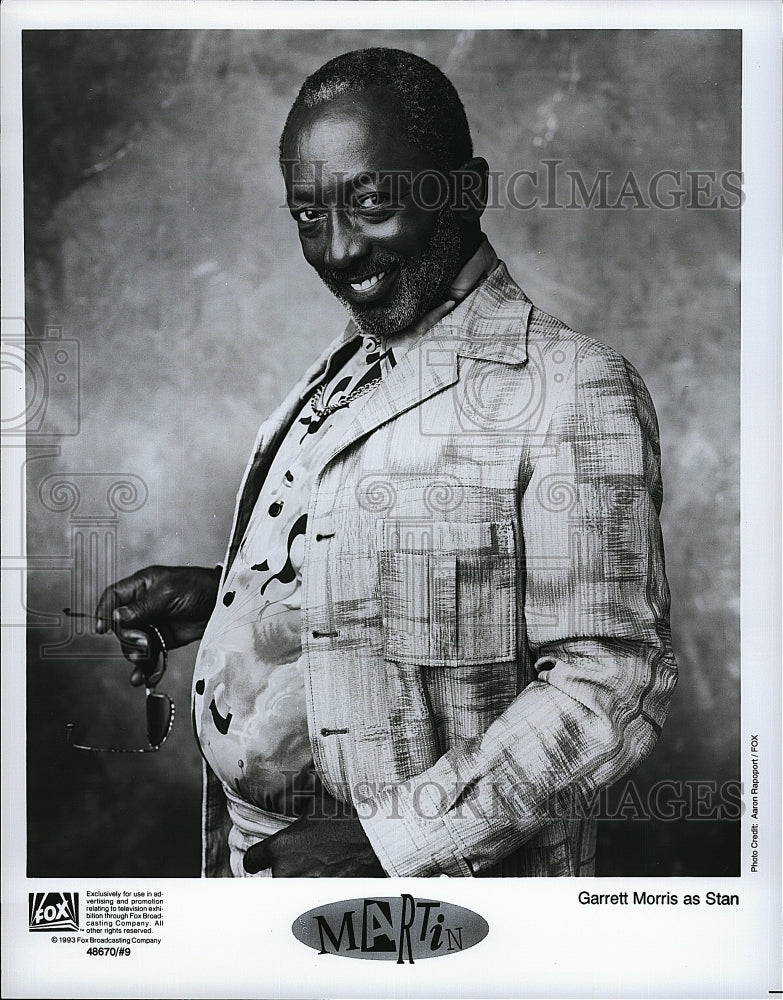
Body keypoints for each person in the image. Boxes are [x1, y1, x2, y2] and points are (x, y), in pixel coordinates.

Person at [95, 47, 678, 878]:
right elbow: (408, 574)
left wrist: (396, 843)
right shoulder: (349, 363)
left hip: (432, 910)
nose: (337, 251)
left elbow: (610, 682)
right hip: (254, 866)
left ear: (464, 190)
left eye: (371, 202)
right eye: (307, 214)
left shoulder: (569, 386)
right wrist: (232, 596)